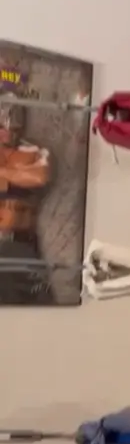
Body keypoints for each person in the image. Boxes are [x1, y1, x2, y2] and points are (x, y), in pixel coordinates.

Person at [0, 101, 53, 305]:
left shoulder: (34, 151)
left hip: (23, 243)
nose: (8, 130)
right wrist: (17, 175)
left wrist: (4, 174)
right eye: (2, 125)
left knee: (37, 305)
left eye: (13, 124)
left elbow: (40, 177)